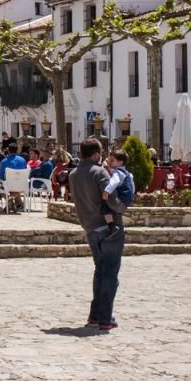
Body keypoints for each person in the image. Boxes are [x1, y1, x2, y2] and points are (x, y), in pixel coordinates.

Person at [68, 138, 122, 332]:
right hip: (107, 228)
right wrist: (123, 207)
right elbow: (111, 199)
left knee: (100, 272)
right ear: (96, 154)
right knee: (110, 275)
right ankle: (105, 318)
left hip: (89, 227)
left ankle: (94, 316)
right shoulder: (98, 172)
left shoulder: (73, 174)